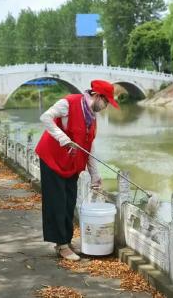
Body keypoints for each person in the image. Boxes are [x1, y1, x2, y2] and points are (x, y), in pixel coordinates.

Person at [35, 79, 119, 261]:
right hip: (53, 158)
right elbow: (46, 117)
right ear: (97, 96)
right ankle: (62, 245)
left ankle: (66, 241)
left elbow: (88, 146)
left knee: (69, 201)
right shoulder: (69, 103)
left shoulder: (92, 117)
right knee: (57, 201)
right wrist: (62, 137)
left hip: (71, 163)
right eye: (106, 102)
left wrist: (95, 174)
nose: (106, 106)